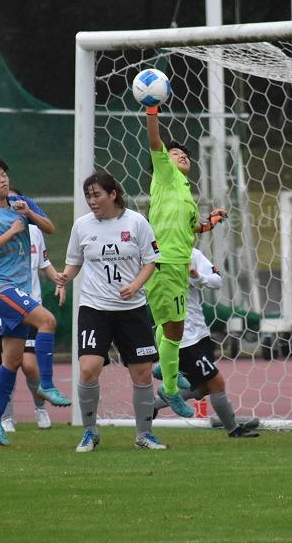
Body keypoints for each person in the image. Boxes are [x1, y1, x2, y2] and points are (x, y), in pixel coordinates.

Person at [0, 157, 70, 447]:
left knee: (11, 361)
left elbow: (49, 228)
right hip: (0, 289)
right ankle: (47, 386)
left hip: (20, 289)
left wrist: (30, 215)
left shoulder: (21, 203)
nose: (3, 179)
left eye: (4, 174)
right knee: (47, 320)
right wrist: (13, 230)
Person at [59, 171, 165, 451]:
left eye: (97, 195)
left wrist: (134, 286)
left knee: (142, 373)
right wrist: (64, 278)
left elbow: (151, 262)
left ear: (113, 194)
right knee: (89, 368)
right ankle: (90, 432)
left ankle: (144, 435)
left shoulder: (136, 222)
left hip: (132, 309)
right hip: (95, 308)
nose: (92, 201)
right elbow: (74, 262)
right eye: (88, 196)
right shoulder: (82, 226)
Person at [144, 100, 227, 418]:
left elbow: (193, 227)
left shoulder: (186, 194)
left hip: (179, 266)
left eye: (185, 156)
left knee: (171, 328)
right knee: (174, 329)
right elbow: (155, 141)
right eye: (175, 154)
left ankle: (163, 371)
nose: (181, 157)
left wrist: (210, 222)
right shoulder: (164, 176)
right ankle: (168, 389)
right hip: (164, 263)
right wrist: (151, 110)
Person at [151, 247, 259, 438]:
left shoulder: (192, 253)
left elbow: (217, 281)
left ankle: (156, 403)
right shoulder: (155, 254)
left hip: (200, 332)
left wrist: (196, 276)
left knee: (203, 387)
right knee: (216, 382)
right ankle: (234, 430)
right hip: (182, 337)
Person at [0, 217, 64, 432]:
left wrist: (59, 281)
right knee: (9, 363)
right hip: (3, 313)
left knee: (29, 365)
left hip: (31, 311)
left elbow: (45, 264)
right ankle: (4, 416)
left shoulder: (34, 232)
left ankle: (40, 407)